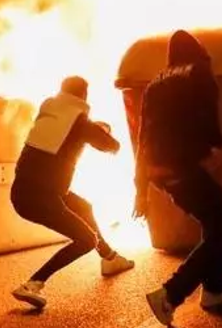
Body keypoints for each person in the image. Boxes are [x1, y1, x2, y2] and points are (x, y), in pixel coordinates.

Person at [137, 31, 222, 326]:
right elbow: (205, 114)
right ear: (198, 50)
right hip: (184, 163)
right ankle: (170, 294)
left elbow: (142, 135)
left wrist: (140, 186)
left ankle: (214, 289)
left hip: (159, 169)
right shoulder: (199, 72)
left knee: (214, 222)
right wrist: (214, 146)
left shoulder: (155, 82)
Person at [10, 76, 135, 310]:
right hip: (40, 198)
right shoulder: (79, 123)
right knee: (86, 239)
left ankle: (110, 259)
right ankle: (33, 283)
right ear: (84, 96)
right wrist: (101, 131)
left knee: (84, 207)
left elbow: (70, 134)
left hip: (28, 191)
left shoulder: (50, 113)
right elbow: (112, 146)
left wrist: (90, 129)